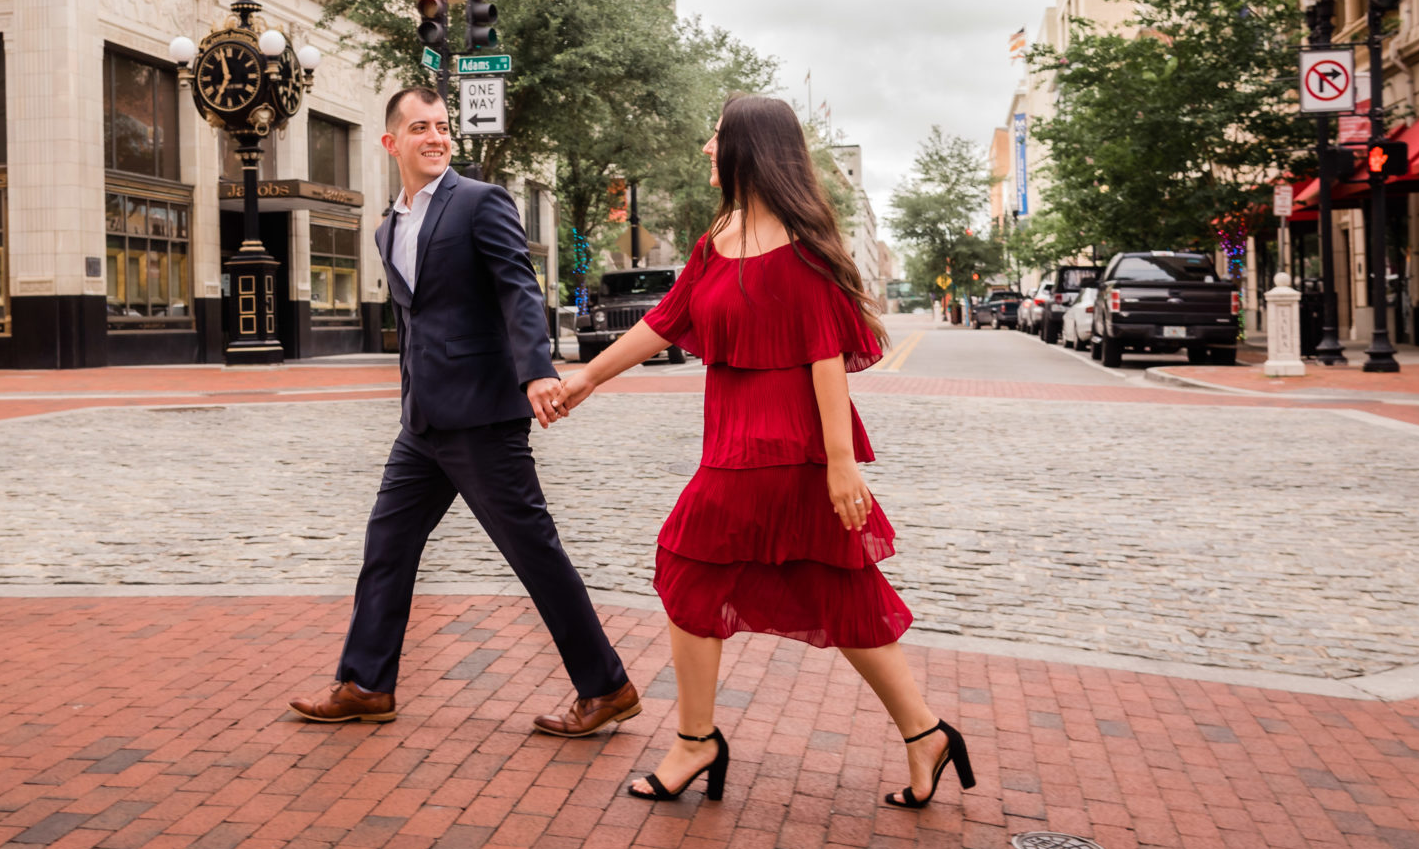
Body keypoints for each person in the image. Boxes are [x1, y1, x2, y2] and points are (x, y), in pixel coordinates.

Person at [558, 95, 974, 809]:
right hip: (736, 440)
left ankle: (695, 741)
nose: (706, 149)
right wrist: (588, 377)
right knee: (840, 593)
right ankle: (925, 732)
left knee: (688, 567)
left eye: (715, 138)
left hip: (783, 448)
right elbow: (666, 320)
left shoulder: (801, 249)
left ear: (748, 147)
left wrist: (841, 464)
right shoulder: (718, 236)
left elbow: (826, 359)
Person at [289, 86, 640, 737]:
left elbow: (518, 286)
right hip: (423, 424)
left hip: (481, 417)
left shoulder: (479, 201)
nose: (436, 136)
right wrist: (409, 399)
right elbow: (415, 322)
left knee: (533, 551)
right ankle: (366, 683)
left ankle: (606, 685)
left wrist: (537, 369)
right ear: (391, 141)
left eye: (442, 126)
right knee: (387, 543)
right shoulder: (386, 225)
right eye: (419, 127)